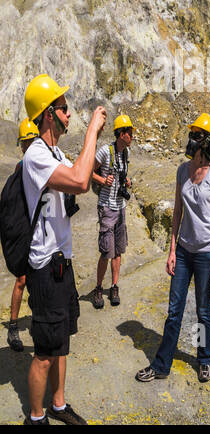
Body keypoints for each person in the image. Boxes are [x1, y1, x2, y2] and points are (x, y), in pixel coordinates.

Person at [20, 74, 106, 425]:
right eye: (64, 109)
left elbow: (80, 174)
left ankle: (58, 404)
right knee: (43, 352)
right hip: (44, 268)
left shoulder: (54, 152)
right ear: (48, 114)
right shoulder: (37, 156)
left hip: (62, 264)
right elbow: (80, 182)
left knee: (62, 341)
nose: (69, 115)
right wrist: (92, 135)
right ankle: (36, 417)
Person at [135, 113, 210, 384]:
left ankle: (203, 359)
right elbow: (177, 213)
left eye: (198, 135)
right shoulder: (181, 171)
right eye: (192, 134)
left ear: (208, 141)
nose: (192, 139)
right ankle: (162, 364)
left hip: (207, 253)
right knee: (174, 310)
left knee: (202, 310)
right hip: (184, 252)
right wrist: (172, 250)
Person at [89, 114, 134, 309]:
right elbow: (88, 172)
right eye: (129, 132)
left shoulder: (126, 153)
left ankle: (114, 286)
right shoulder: (104, 152)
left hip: (120, 206)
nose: (132, 136)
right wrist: (102, 180)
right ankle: (99, 288)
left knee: (118, 250)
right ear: (121, 134)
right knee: (106, 251)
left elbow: (122, 174)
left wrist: (126, 181)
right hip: (107, 206)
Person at [7, 120, 40, 352]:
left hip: (38, 230)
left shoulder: (40, 163)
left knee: (37, 278)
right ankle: (13, 326)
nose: (28, 145)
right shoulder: (21, 167)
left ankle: (39, 320)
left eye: (30, 141)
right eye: (26, 142)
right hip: (26, 230)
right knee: (22, 279)